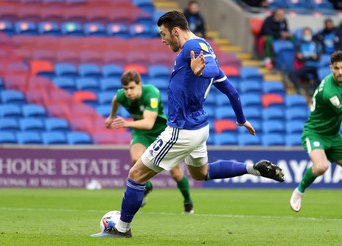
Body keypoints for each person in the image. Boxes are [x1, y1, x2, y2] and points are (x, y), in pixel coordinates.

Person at [93, 11, 284, 238]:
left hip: (181, 130)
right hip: (199, 128)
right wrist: (241, 119)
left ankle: (121, 228)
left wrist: (201, 70)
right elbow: (232, 91)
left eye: (164, 34)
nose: (162, 40)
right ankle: (254, 168)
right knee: (201, 173)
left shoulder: (194, 47)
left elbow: (210, 69)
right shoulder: (199, 49)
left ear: (176, 31)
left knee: (136, 175)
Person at [104, 69, 194, 213]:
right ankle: (147, 186)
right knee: (136, 160)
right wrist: (111, 116)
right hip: (141, 133)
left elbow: (148, 123)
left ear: (140, 84)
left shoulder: (151, 93)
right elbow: (116, 99)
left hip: (162, 132)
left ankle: (188, 201)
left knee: (176, 173)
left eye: (132, 88)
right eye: (126, 89)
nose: (128, 92)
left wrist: (126, 123)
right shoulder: (123, 95)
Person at [289, 51, 342, 217]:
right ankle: (299, 191)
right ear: (331, 68)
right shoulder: (329, 92)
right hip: (315, 134)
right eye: (336, 68)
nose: (340, 72)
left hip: (333, 136)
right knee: (321, 166)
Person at [288, 27, 322, 95]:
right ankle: (299, 89)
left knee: (320, 75)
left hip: (315, 66)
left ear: (311, 34)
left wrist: (305, 56)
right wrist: (311, 56)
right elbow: (299, 58)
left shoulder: (317, 44)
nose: (306, 35)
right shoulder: (300, 45)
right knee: (292, 74)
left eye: (308, 34)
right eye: (305, 34)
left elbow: (317, 58)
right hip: (305, 66)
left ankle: (313, 91)